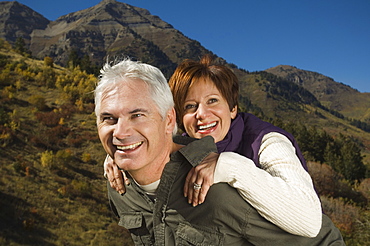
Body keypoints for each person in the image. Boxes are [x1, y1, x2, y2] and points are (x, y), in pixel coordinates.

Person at [96, 58, 345, 245]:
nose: (202, 114)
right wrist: (120, 153)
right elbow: (148, 137)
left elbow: (310, 222)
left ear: (233, 108)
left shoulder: (267, 143)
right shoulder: (182, 145)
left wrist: (229, 165)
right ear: (177, 117)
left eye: (213, 101)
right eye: (190, 106)